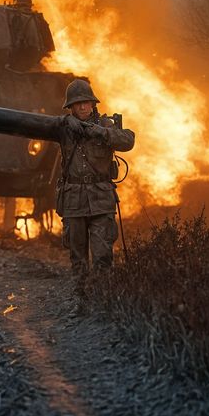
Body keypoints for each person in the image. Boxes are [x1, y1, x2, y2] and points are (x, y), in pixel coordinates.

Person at [54, 78, 136, 283]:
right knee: (78, 259)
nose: (82, 107)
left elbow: (128, 140)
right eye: (77, 103)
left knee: (102, 257)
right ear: (71, 106)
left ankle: (101, 297)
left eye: (85, 102)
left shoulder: (105, 125)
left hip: (101, 200)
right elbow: (38, 125)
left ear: (92, 103)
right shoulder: (63, 128)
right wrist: (65, 122)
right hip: (74, 201)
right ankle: (81, 297)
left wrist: (100, 132)